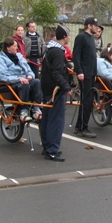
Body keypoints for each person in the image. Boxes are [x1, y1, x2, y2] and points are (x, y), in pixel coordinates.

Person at [40, 25, 72, 161]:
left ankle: (46, 146)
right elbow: (57, 72)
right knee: (56, 120)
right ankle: (52, 149)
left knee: (46, 118)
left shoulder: (50, 49)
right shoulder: (59, 52)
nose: (70, 37)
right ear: (64, 37)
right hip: (55, 90)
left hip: (46, 86)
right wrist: (66, 86)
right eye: (69, 35)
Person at [0, 37, 43, 122]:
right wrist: (19, 78)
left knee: (36, 82)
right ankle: (23, 111)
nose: (17, 48)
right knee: (24, 84)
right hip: (9, 83)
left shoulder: (19, 57)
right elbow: (3, 77)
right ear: (8, 48)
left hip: (23, 79)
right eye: (14, 46)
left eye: (17, 46)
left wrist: (30, 76)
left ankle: (36, 108)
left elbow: (29, 70)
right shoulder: (0, 60)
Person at [73, 17, 100, 138]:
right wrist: (79, 71)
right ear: (89, 25)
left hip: (91, 73)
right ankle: (83, 127)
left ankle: (79, 125)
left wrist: (94, 73)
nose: (97, 27)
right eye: (95, 25)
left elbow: (92, 58)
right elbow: (76, 55)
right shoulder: (81, 37)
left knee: (89, 100)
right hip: (84, 73)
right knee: (86, 101)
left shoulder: (91, 38)